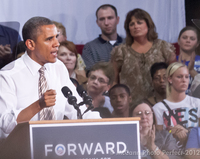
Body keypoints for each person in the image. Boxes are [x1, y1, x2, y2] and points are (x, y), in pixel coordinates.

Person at [0, 16, 100, 141]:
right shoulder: (8, 75)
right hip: (21, 148)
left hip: (56, 146)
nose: (57, 43)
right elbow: (4, 126)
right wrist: (38, 105)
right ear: (31, 44)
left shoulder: (58, 67)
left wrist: (102, 126)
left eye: (56, 37)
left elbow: (76, 110)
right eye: (49, 39)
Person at [111, 8, 176, 108]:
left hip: (161, 105)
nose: (135, 26)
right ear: (128, 29)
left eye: (139, 22)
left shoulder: (164, 47)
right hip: (131, 107)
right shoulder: (120, 51)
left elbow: (174, 78)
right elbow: (114, 81)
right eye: (131, 24)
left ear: (148, 25)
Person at [153, 62, 200, 146]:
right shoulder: (158, 108)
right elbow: (159, 139)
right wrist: (171, 132)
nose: (184, 80)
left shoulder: (197, 103)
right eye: (179, 77)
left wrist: (187, 133)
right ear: (170, 79)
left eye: (187, 77)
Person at [82, 4, 123, 71]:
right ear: (97, 22)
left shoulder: (128, 44)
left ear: (117, 20)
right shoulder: (90, 48)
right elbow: (91, 74)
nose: (106, 23)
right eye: (102, 19)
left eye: (110, 18)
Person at [177, 26, 200, 94]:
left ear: (197, 43)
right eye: (184, 38)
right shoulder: (172, 61)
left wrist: (192, 72)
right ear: (178, 41)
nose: (188, 41)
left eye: (192, 39)